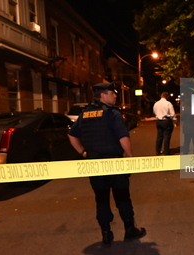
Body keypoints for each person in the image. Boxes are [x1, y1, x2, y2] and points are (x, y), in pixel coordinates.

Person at [67, 82, 146, 247]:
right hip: (114, 163)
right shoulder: (112, 114)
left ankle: (106, 233)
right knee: (122, 197)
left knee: (101, 199)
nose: (115, 95)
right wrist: (131, 157)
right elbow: (123, 137)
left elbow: (72, 135)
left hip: (94, 164)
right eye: (112, 93)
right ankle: (129, 230)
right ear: (103, 95)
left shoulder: (85, 114)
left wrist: (82, 152)